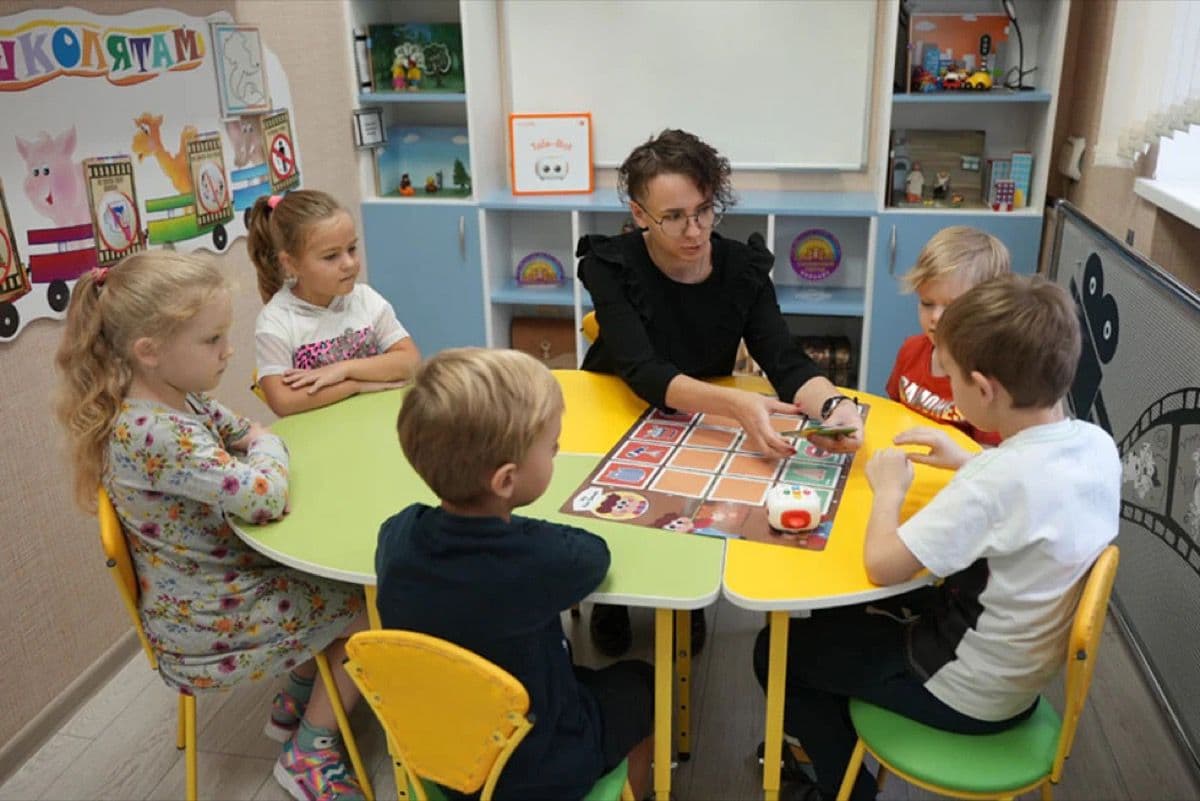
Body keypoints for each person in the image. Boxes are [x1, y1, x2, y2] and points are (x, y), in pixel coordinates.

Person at [751, 274, 1120, 801]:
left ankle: (846, 792)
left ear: (985, 389)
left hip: (964, 692)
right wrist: (973, 458)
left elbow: (882, 564)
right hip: (1018, 676)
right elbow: (1034, 492)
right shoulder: (1095, 446)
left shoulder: (991, 486)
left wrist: (889, 488)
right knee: (838, 618)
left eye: (952, 379)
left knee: (776, 651)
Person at [54, 252, 371, 801]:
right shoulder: (155, 433)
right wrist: (268, 448)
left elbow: (242, 431)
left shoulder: (177, 400)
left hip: (210, 584)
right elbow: (265, 490)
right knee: (369, 610)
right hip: (205, 619)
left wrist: (258, 446)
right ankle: (311, 751)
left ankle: (297, 692)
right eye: (212, 340)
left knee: (342, 584)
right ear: (148, 351)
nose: (229, 351)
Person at [576, 128, 865, 657]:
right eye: (675, 216)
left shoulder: (742, 268)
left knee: (690, 507)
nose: (695, 229)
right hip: (618, 403)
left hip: (697, 409)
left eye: (705, 210)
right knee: (618, 508)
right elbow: (642, 371)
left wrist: (835, 405)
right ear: (640, 214)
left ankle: (685, 598)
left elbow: (784, 359)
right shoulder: (609, 263)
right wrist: (736, 405)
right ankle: (612, 601)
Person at [376, 348, 654, 800]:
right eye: (552, 446)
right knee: (642, 684)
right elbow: (593, 555)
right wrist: (512, 522)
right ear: (506, 481)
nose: (558, 452)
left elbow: (396, 532)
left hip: (445, 759)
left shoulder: (400, 535)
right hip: (542, 768)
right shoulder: (537, 561)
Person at [247, 189, 420, 417]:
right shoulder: (276, 320)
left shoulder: (365, 298)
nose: (349, 263)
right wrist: (354, 386)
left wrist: (343, 369)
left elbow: (411, 362)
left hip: (377, 421)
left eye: (351, 249)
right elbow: (283, 401)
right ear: (290, 264)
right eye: (331, 256)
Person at [886, 225, 1011, 446]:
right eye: (927, 303)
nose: (935, 317)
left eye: (951, 307)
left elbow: (990, 457)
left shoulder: (990, 379)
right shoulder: (911, 350)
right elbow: (890, 413)